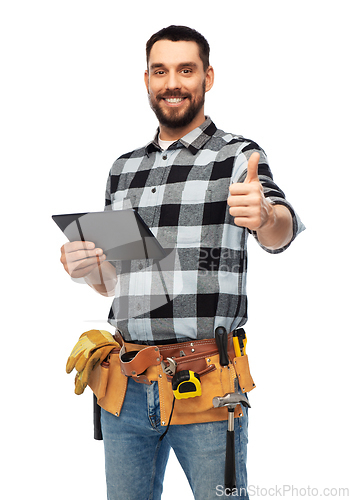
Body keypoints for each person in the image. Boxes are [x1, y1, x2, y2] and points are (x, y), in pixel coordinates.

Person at [60, 25, 304, 500]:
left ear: (207, 77)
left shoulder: (238, 156)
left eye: (186, 70)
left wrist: (267, 214)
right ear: (147, 80)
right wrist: (89, 268)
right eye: (161, 70)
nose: (172, 82)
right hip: (125, 387)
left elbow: (280, 231)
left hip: (209, 386)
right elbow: (117, 283)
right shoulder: (123, 168)